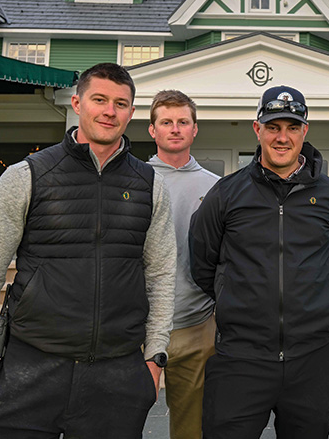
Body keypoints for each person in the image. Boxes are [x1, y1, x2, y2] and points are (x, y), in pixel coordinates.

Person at [0, 63, 176, 439]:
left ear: (132, 113)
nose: (110, 111)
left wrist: (154, 360)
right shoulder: (27, 175)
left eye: (121, 103)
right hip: (29, 371)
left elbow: (160, 276)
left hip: (117, 376)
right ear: (77, 102)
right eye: (100, 99)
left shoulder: (150, 185)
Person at [189, 85, 329, 439]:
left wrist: (327, 304)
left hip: (312, 357)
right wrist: (232, 297)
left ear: (305, 131)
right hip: (240, 357)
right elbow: (202, 261)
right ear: (257, 128)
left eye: (292, 127)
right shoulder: (226, 193)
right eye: (274, 127)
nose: (283, 137)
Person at [147, 90, 219, 439]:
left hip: (196, 326)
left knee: (191, 428)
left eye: (183, 122)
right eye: (166, 122)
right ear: (152, 130)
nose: (175, 129)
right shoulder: (132, 181)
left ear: (194, 130)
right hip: (134, 328)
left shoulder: (216, 189)